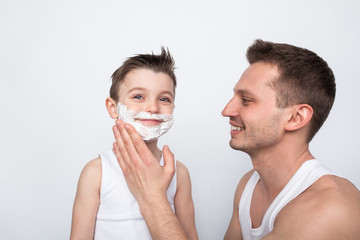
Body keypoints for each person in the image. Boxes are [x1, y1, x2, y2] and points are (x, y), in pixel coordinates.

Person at [112, 39, 360, 240]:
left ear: (296, 117)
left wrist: (152, 198)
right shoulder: (249, 187)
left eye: (246, 100)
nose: (227, 110)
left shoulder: (331, 208)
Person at [70, 48, 198, 240]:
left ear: (172, 108)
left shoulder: (179, 174)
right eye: (139, 96)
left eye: (164, 99)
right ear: (113, 108)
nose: (153, 108)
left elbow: (189, 236)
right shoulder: (97, 172)